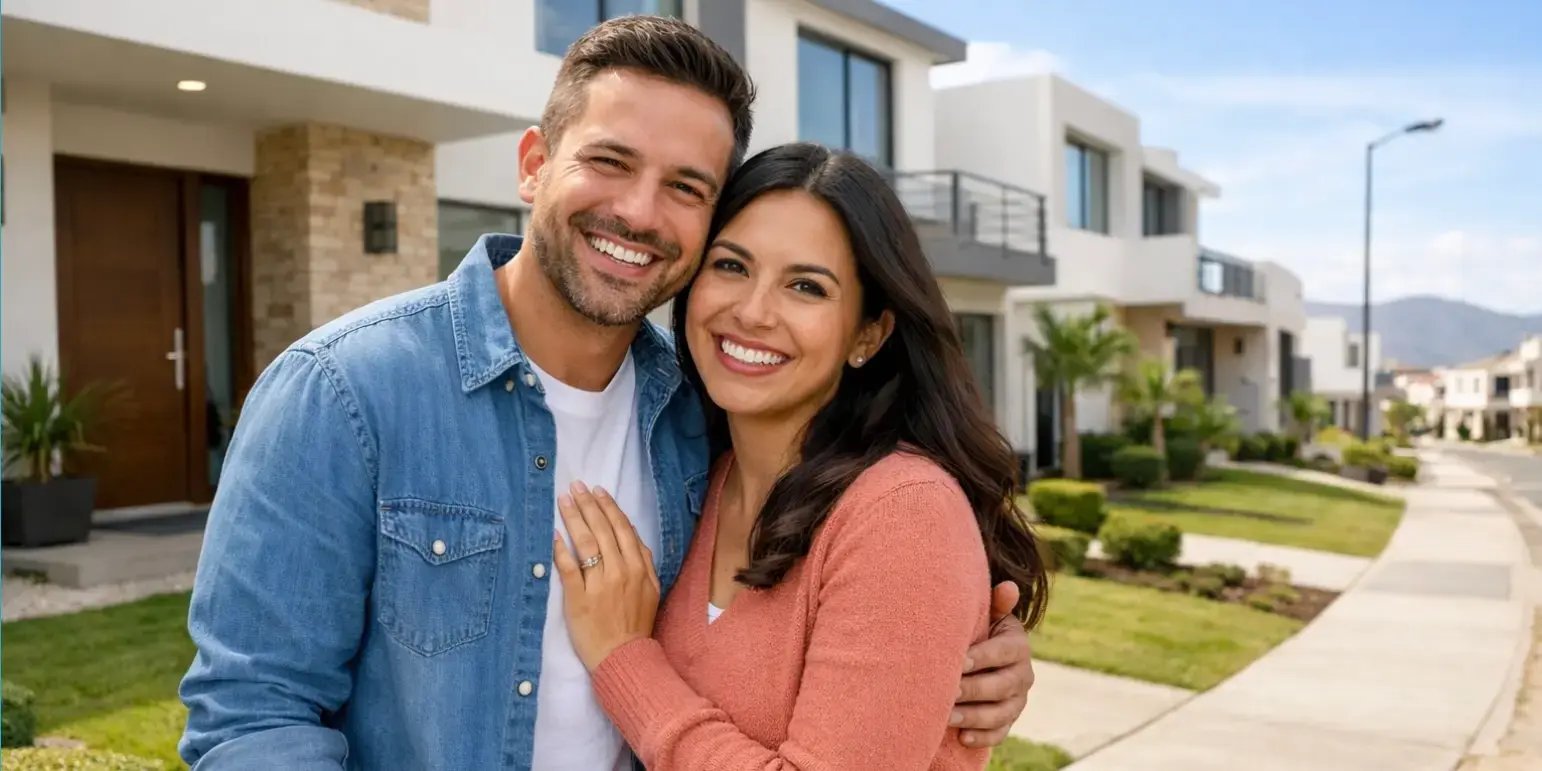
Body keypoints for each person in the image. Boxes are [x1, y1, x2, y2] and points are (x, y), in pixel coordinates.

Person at [178, 16, 1036, 771]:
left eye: (685, 188)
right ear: (533, 164)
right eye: (609, 161)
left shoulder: (696, 419)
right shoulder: (343, 393)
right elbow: (252, 714)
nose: (639, 212)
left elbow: (861, 601)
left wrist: (950, 659)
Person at [549, 142, 1048, 769]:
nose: (752, 312)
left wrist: (623, 659)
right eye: (731, 266)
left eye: (806, 287)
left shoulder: (902, 513)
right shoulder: (695, 468)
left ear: (868, 333)